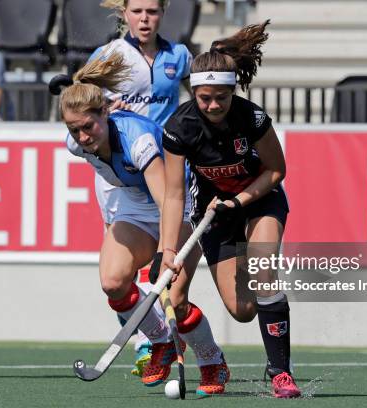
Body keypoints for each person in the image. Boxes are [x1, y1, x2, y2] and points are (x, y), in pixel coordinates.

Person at [53, 51, 229, 395]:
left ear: (106, 111)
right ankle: (160, 339)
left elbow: (168, 201)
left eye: (88, 127)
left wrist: (167, 252)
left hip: (180, 202)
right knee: (113, 282)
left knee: (175, 298)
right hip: (135, 204)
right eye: (75, 129)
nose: (83, 136)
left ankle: (212, 361)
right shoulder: (76, 144)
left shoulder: (140, 141)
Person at [159, 20, 302, 398]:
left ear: (232, 90)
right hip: (214, 215)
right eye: (204, 97)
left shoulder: (251, 118)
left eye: (221, 96)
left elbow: (276, 170)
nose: (213, 105)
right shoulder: (179, 128)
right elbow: (174, 196)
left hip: (259, 201)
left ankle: (280, 373)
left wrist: (238, 201)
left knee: (263, 273)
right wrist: (168, 251)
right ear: (193, 92)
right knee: (242, 309)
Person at [94, 0, 193, 376]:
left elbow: (200, 98)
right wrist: (105, 104)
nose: (144, 18)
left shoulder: (179, 55)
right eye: (137, 11)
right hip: (120, 172)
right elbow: (82, 103)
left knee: (164, 263)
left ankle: (158, 339)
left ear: (163, 12)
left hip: (163, 170)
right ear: (124, 14)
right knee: (121, 267)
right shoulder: (108, 55)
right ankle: (146, 340)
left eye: (152, 11)